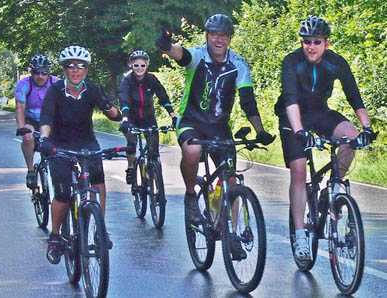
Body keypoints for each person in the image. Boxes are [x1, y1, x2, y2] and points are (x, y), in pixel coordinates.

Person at [156, 14, 274, 259]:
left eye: (223, 35)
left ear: (229, 38)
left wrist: (260, 131)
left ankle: (228, 231)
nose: (218, 39)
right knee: (192, 150)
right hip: (191, 121)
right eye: (214, 34)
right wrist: (166, 47)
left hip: (219, 127)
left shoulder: (238, 64)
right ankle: (191, 195)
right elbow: (181, 54)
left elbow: (248, 101)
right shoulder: (198, 56)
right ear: (207, 36)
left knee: (230, 182)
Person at [274, 15, 376, 261]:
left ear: (326, 43)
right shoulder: (291, 61)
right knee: (299, 171)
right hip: (292, 117)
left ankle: (334, 187)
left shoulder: (336, 62)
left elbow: (354, 97)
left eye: (316, 41)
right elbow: (290, 99)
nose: (310, 46)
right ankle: (300, 236)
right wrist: (300, 132)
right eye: (306, 41)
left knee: (351, 137)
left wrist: (366, 128)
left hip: (320, 112)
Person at [39, 45, 121, 264]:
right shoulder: (55, 90)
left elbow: (113, 113)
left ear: (87, 69)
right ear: (65, 69)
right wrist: (45, 140)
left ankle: (99, 229)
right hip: (59, 145)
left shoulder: (92, 89)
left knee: (99, 183)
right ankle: (55, 236)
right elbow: (46, 118)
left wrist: (115, 112)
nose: (76, 70)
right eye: (71, 66)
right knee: (64, 194)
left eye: (81, 66)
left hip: (87, 143)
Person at [118, 50, 177, 184]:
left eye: (142, 65)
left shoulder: (151, 79)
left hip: (148, 117)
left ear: (147, 66)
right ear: (131, 65)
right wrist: (125, 119)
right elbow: (124, 100)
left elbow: (163, 96)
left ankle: (154, 180)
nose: (139, 68)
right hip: (131, 118)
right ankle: (131, 168)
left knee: (153, 152)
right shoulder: (127, 80)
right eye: (136, 65)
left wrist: (172, 115)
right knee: (132, 144)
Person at [14, 54, 59, 188]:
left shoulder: (56, 83)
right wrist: (22, 127)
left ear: (48, 72)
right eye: (36, 72)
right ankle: (31, 171)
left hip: (51, 119)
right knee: (28, 137)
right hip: (31, 119)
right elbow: (20, 108)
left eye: (44, 72)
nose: (40, 76)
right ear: (31, 73)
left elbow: (66, 104)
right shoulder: (24, 84)